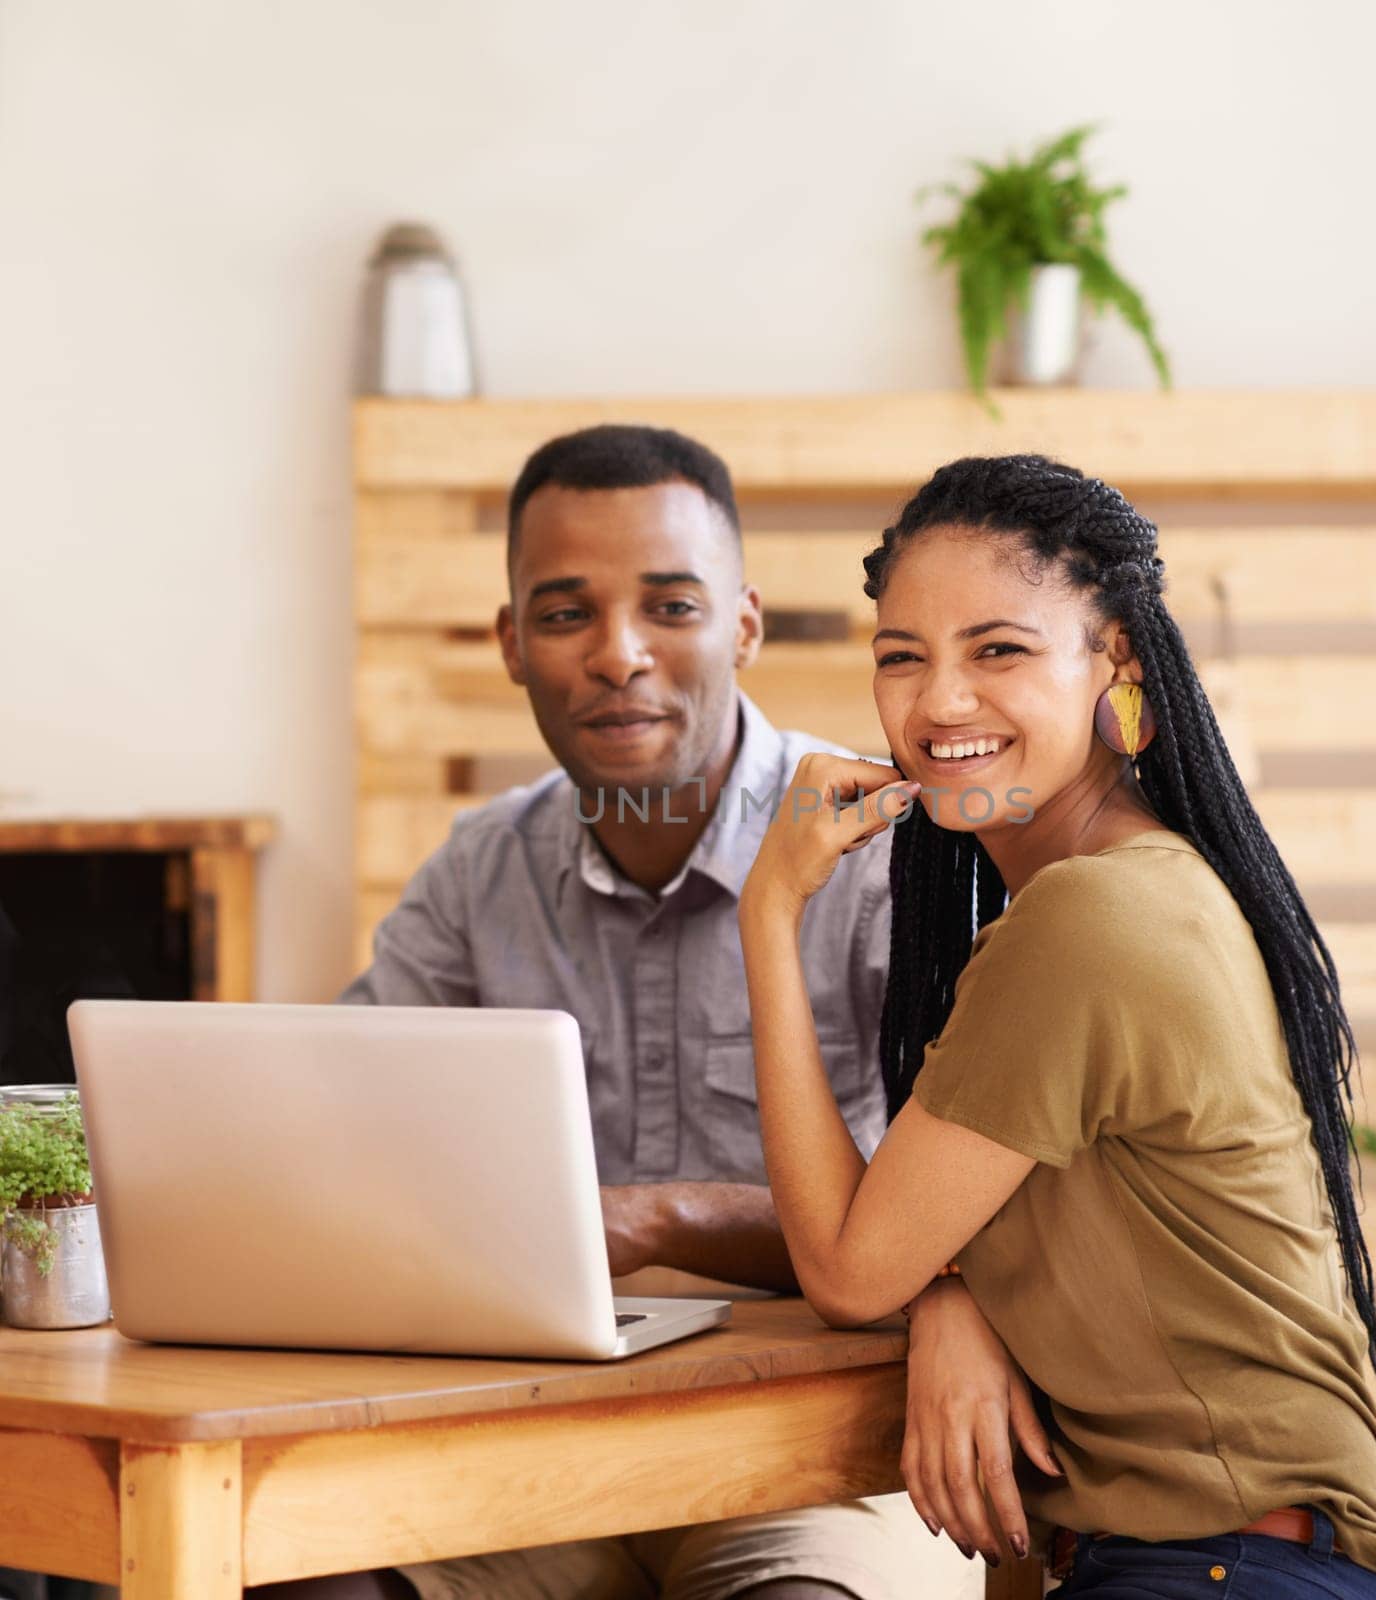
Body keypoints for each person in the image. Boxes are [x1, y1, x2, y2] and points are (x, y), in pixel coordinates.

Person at [251, 426, 987, 1600]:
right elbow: (344, 1139)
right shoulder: (477, 872)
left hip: (823, 1463)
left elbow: (952, 1229)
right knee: (302, 1579)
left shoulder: (882, 852)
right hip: (542, 1454)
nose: (619, 655)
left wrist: (660, 1218)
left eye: (670, 606)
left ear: (742, 624)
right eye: (563, 614)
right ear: (509, 644)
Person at [736, 454, 1376, 1599]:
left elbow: (850, 1272)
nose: (938, 701)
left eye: (997, 649)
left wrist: (769, 909)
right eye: (901, 657)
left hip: (1237, 1571)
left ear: (1116, 661)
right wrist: (949, 1291)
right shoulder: (1126, 884)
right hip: (1219, 1560)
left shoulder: (1089, 915)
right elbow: (913, 1244)